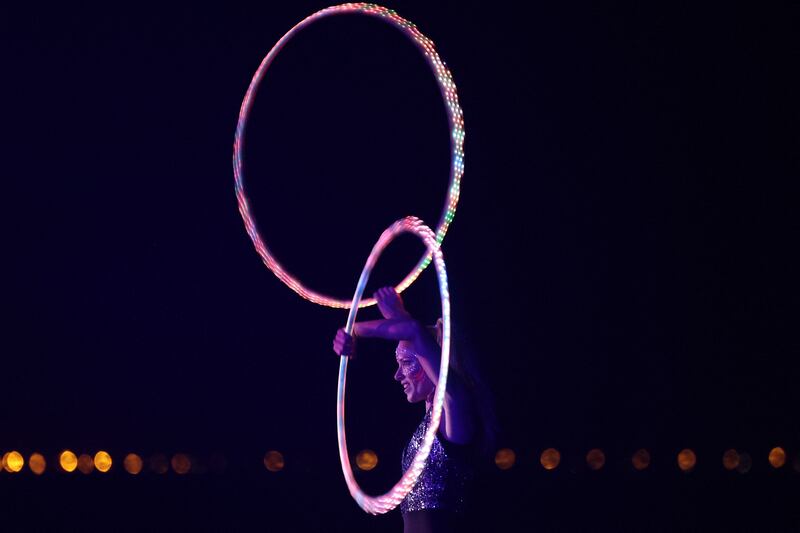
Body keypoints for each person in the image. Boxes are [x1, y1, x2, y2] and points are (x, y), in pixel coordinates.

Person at [333, 287, 496, 533]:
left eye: (406, 363)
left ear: (432, 362)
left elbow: (414, 332)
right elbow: (412, 335)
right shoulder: (431, 422)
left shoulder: (456, 406)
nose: (397, 375)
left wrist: (354, 330)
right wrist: (396, 315)